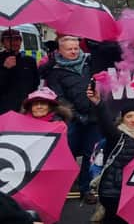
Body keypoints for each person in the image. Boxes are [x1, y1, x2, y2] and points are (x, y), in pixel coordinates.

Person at [45, 35, 101, 204]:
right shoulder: (55, 71)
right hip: (71, 119)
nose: (73, 52)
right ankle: (59, 190)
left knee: (90, 155)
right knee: (65, 155)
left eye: (76, 48)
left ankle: (85, 189)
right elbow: (58, 97)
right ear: (60, 51)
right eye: (69, 49)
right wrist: (75, 115)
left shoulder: (90, 64)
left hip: (93, 117)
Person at [87, 85, 134, 224]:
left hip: (130, 191)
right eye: (129, 116)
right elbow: (105, 123)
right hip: (112, 192)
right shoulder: (116, 135)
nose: (133, 119)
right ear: (123, 119)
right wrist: (99, 103)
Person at [0, 29, 40, 114]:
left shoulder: (29, 61)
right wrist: (5, 69)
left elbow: (35, 83)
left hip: (25, 108)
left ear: (21, 41)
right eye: (9, 39)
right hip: (4, 110)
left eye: (17, 39)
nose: (14, 42)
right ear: (3, 43)